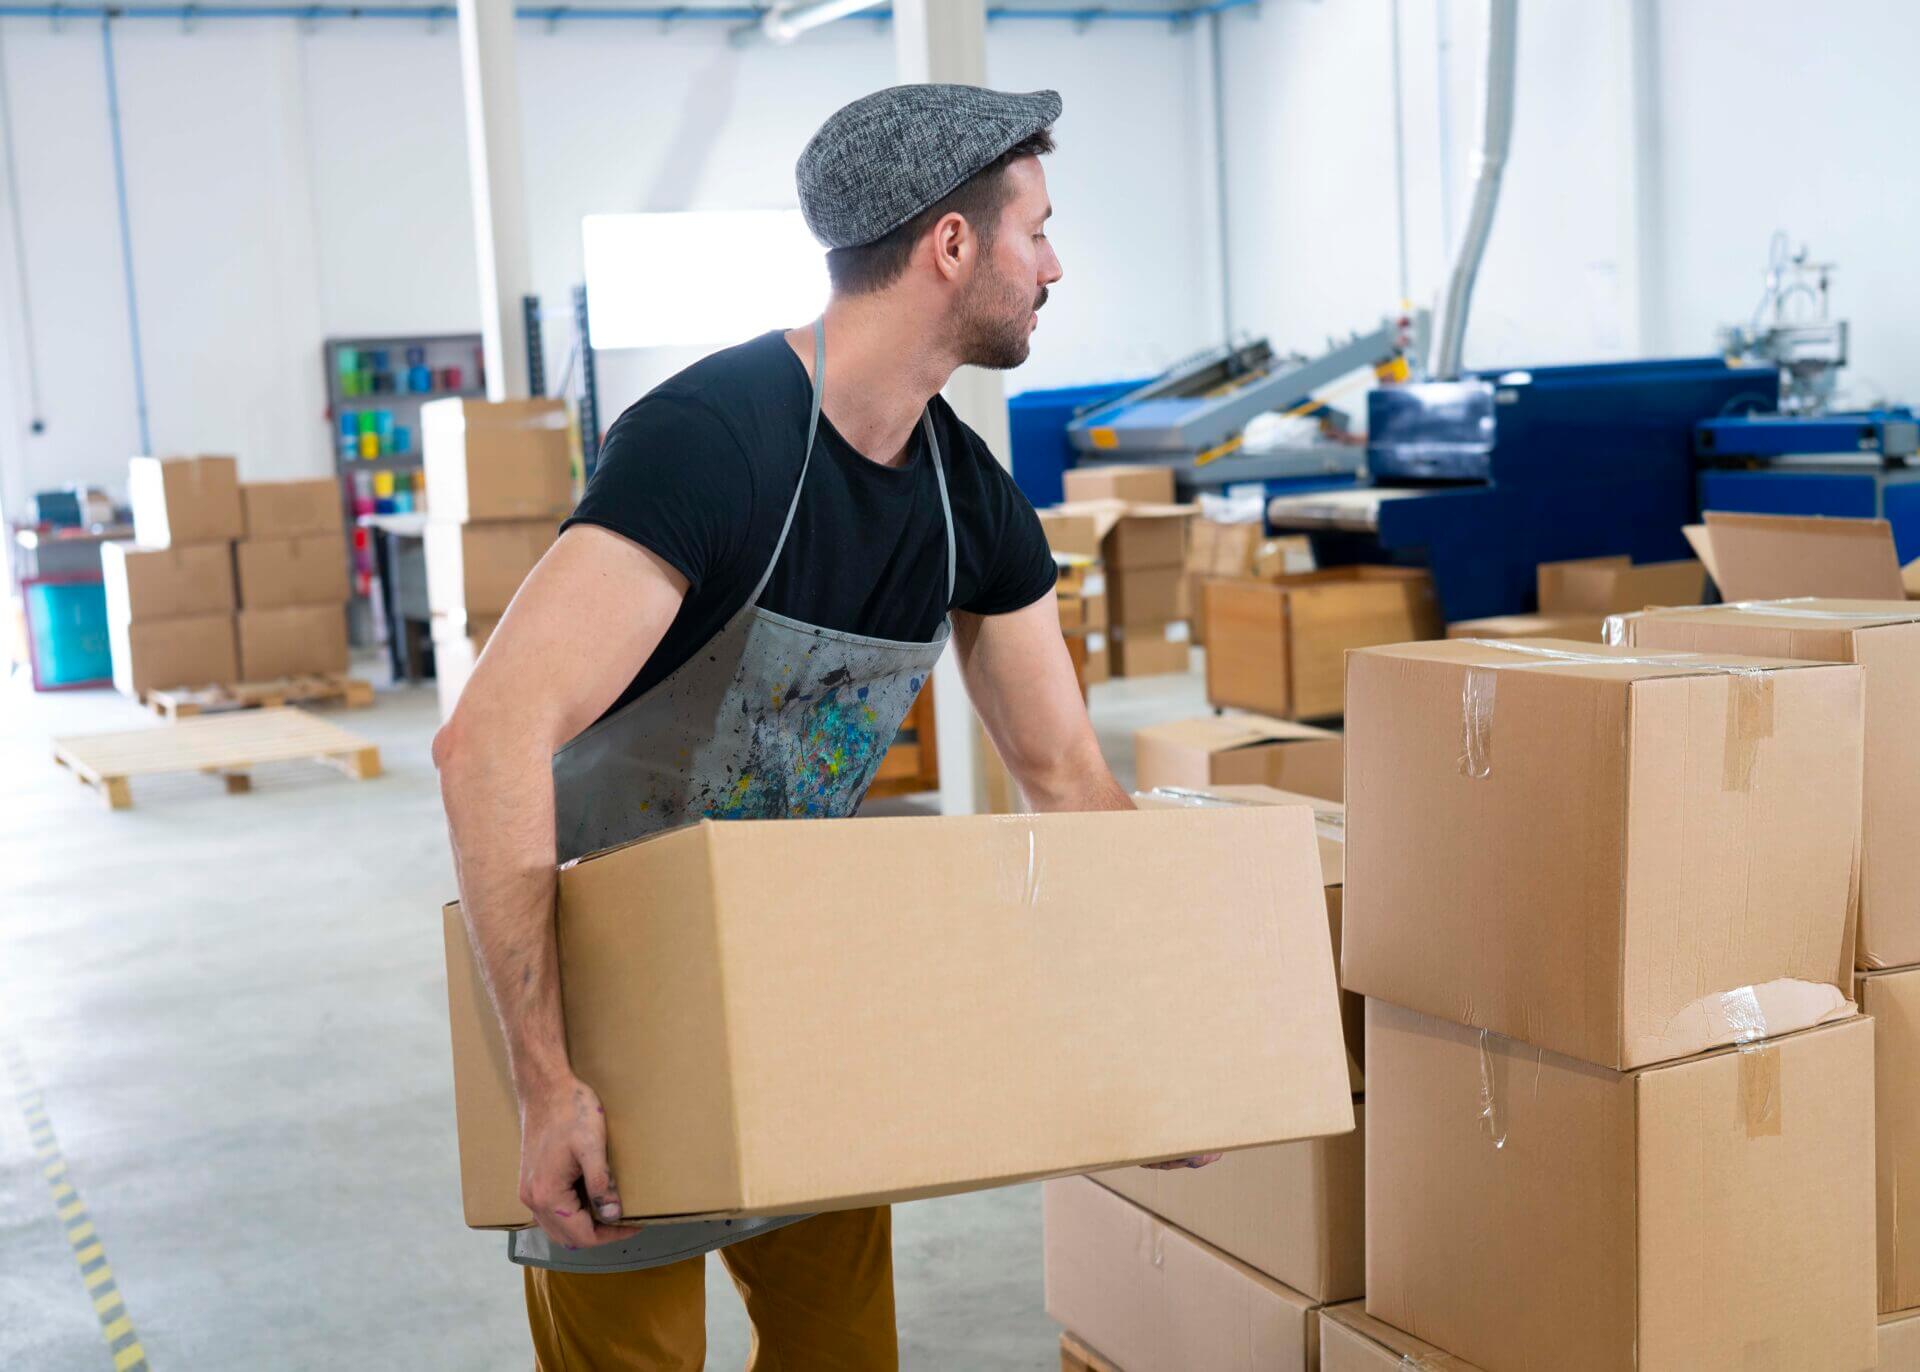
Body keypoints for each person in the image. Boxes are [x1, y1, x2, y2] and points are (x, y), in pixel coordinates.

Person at [434, 82, 1210, 1371]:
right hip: (613, 1027)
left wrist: (1156, 1048)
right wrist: (545, 1081)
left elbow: (1068, 777)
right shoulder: (710, 443)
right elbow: (488, 742)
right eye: (1037, 230)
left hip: (808, 1001)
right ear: (951, 247)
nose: (1055, 264)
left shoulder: (967, 499)